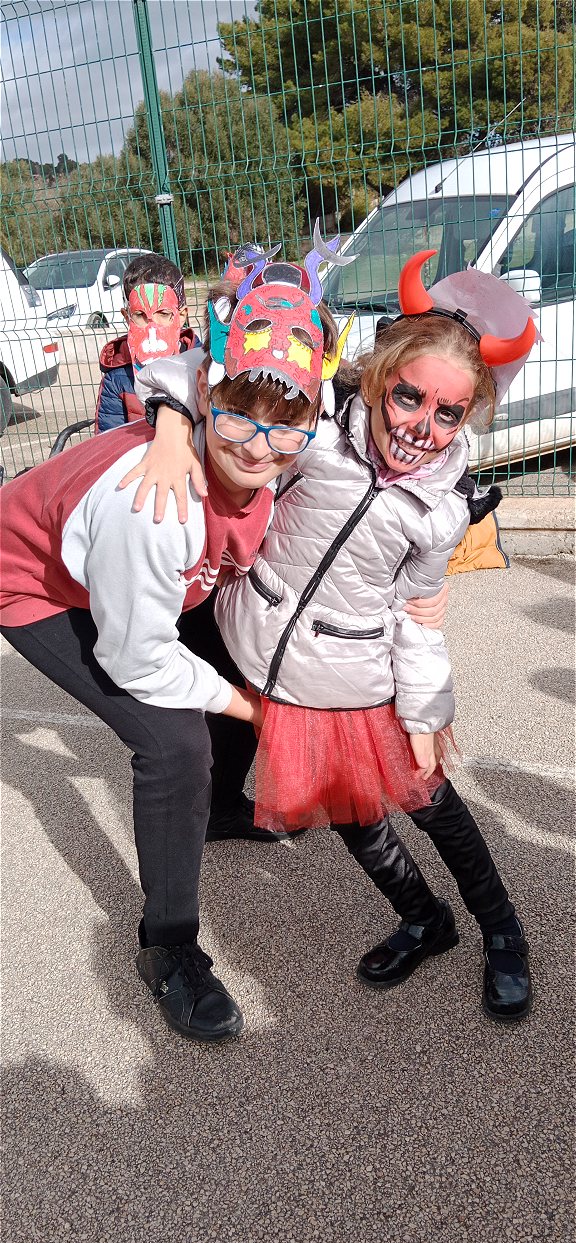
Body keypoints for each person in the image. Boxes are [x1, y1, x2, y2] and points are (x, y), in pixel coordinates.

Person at [135, 248, 537, 1024]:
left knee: (430, 803)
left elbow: (418, 617)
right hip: (270, 656)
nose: (420, 427)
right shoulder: (313, 429)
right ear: (380, 377)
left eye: (448, 413)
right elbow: (202, 373)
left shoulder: (441, 510)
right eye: (409, 396)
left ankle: (503, 932)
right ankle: (424, 919)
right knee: (350, 811)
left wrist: (424, 715)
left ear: (469, 416)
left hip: (361, 675)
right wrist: (171, 427)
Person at [0, 236, 356, 1044]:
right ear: (205, 391)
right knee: (173, 745)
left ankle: (222, 811)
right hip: (32, 579)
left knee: (236, 651)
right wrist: (252, 711)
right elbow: (138, 658)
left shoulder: (274, 430)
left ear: (314, 415)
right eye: (236, 413)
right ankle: (167, 947)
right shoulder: (154, 508)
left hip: (131, 562)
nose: (258, 443)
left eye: (286, 423)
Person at [94, 253, 201, 434]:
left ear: (181, 315)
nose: (152, 329)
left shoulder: (203, 368)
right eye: (140, 315)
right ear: (127, 317)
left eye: (164, 314)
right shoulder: (117, 379)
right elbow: (109, 440)